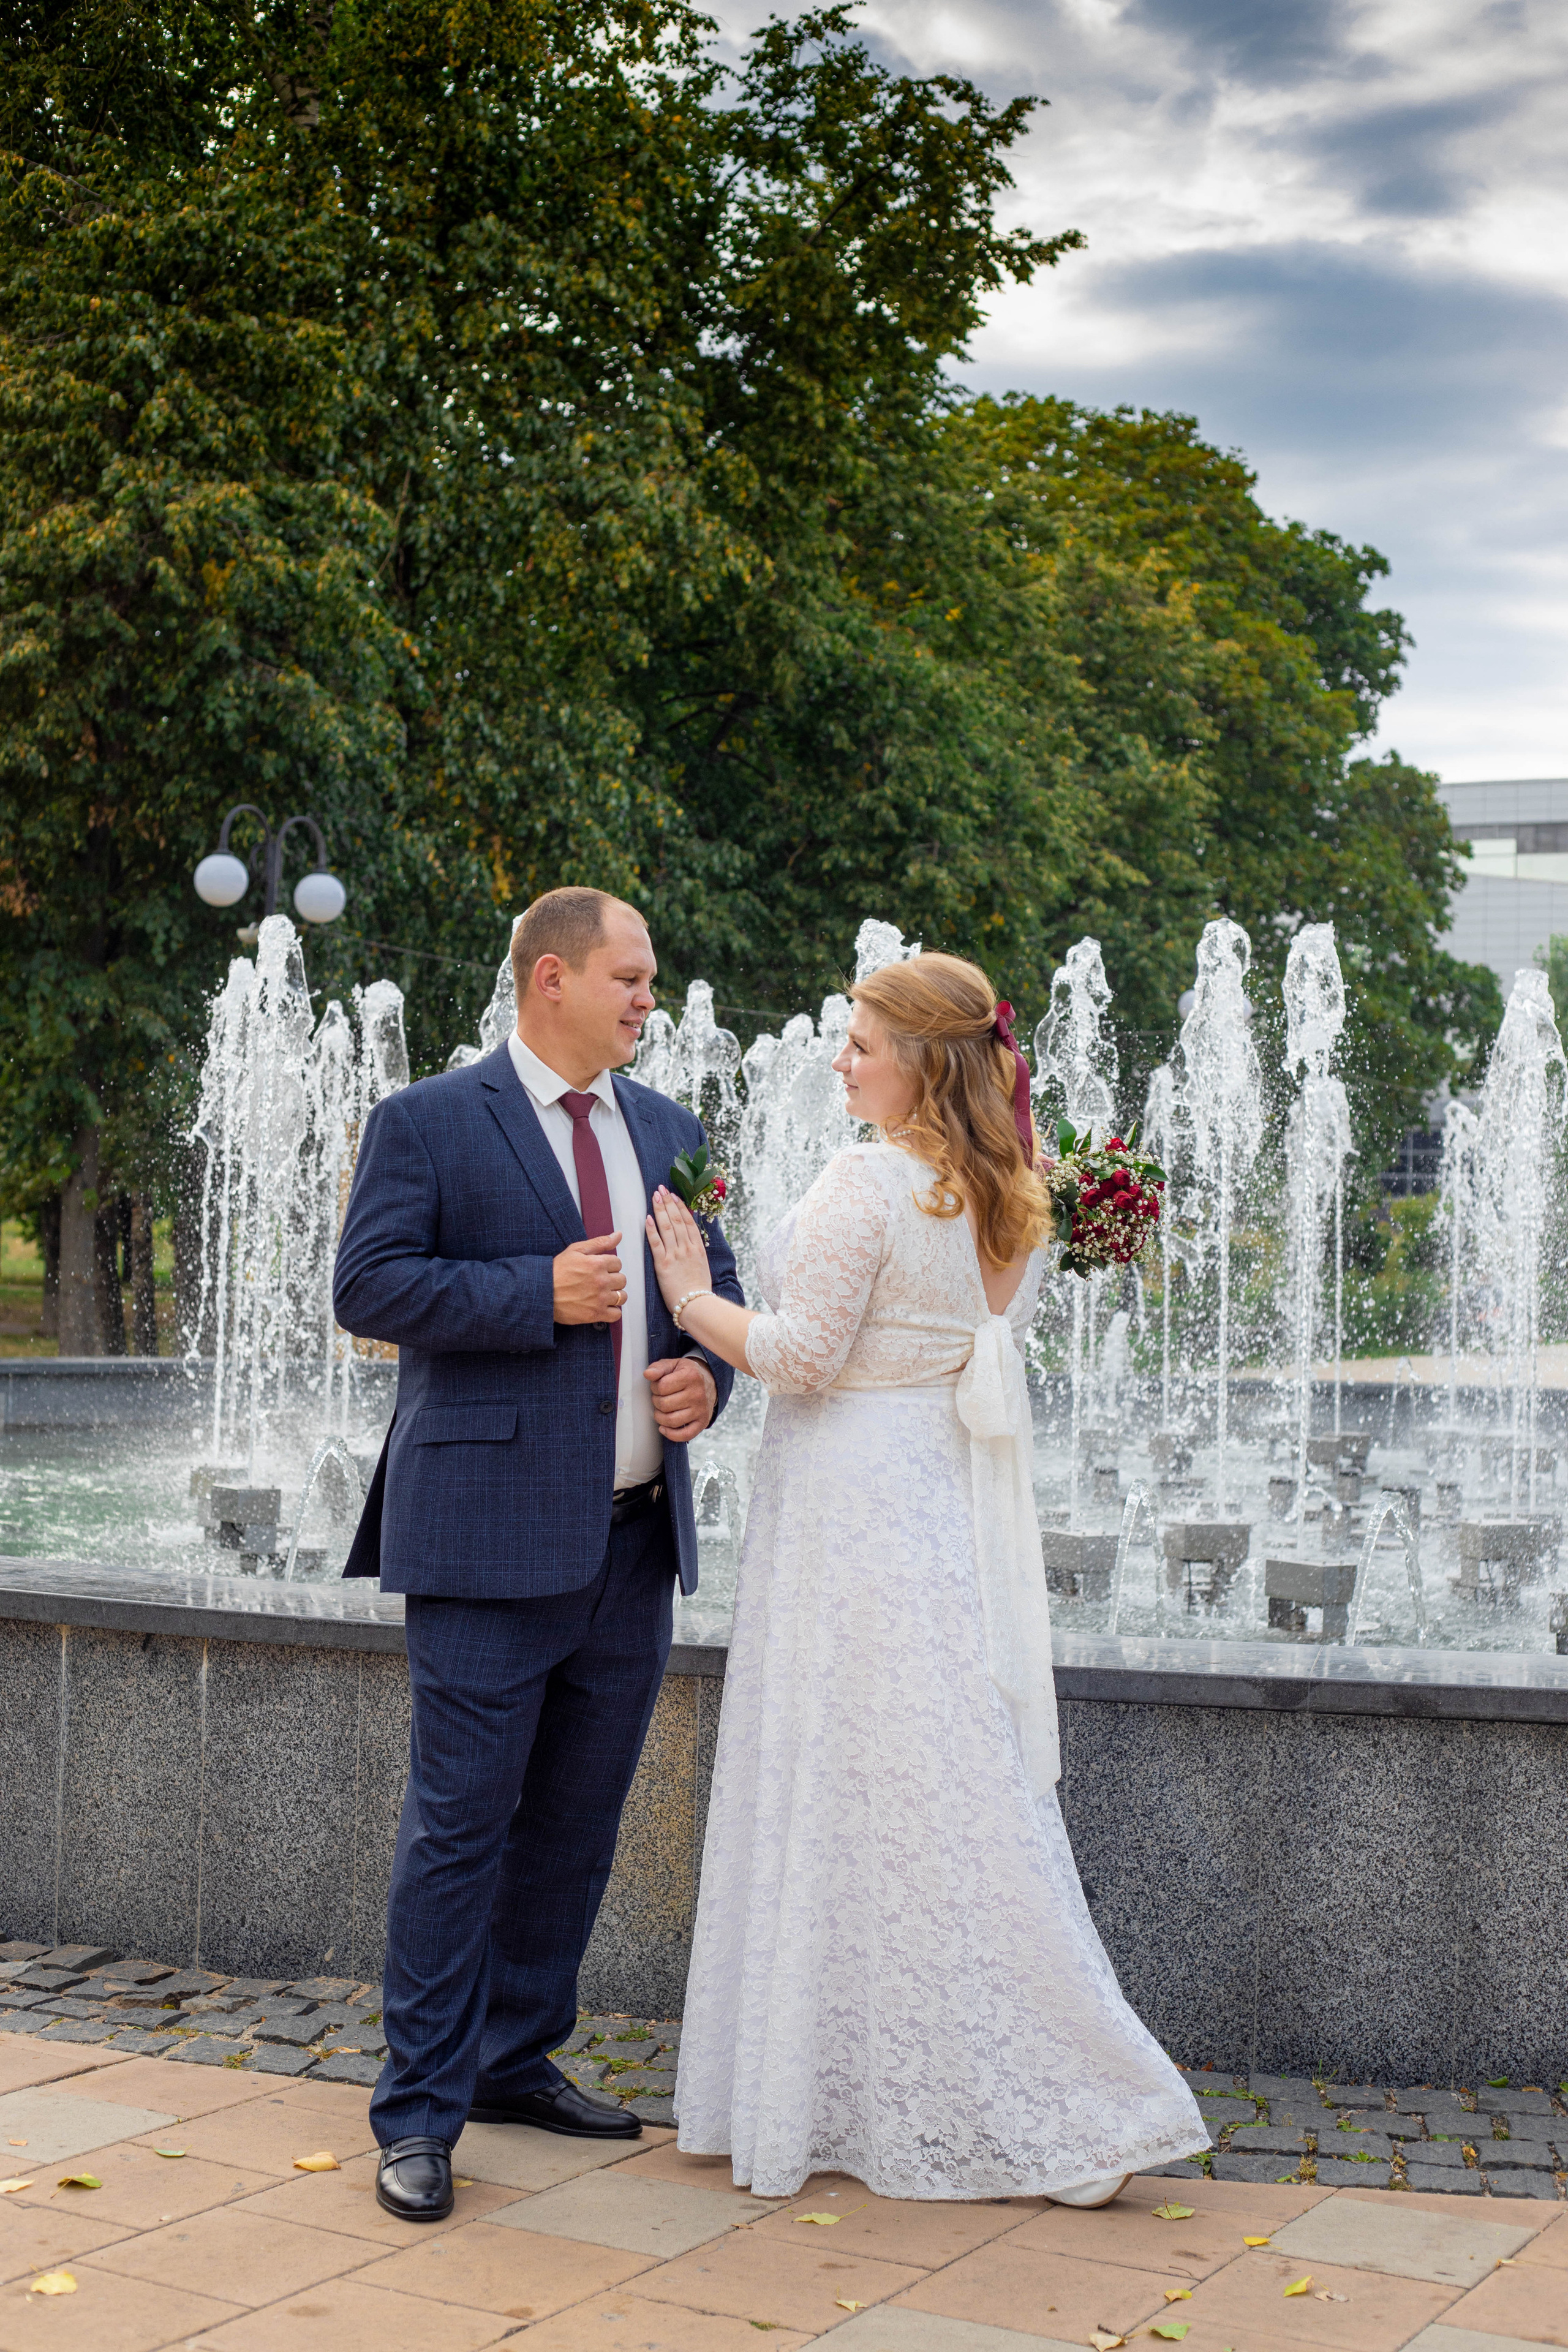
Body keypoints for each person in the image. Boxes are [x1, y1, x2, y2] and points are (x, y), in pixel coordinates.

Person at [643, 951, 1205, 2204]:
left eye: (861, 1044)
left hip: (848, 1499)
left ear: (922, 1063)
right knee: (941, 1776)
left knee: (843, 1772)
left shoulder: (870, 1181)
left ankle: (849, 2087)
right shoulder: (1007, 1194)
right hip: (930, 1494)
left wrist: (688, 1297)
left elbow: (800, 1357)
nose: (840, 1061)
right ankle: (990, 2085)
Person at [333, 887, 744, 2224]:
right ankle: (418, 2112)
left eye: (652, 981)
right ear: (550, 978)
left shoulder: (666, 1129)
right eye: (630, 978)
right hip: (484, 1542)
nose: (648, 1002)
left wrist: (702, 1382)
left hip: (632, 1547)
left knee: (573, 1827)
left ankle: (513, 2060)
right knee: (457, 1834)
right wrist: (535, 1293)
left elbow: (718, 1299)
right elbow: (367, 1286)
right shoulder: (429, 1120)